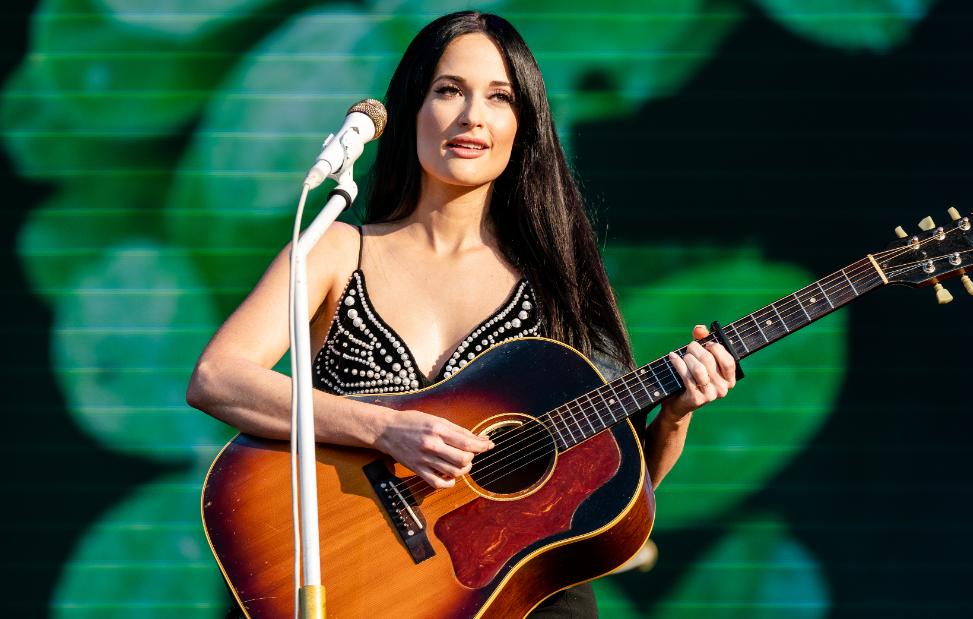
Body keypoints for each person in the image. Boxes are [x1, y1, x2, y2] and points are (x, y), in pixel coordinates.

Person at [186, 10, 738, 617]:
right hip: (352, 584)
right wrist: (383, 427)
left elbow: (611, 498)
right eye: (449, 90)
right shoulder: (336, 249)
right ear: (412, 109)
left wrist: (675, 418)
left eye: (499, 98)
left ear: (523, 125)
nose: (472, 116)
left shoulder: (556, 285)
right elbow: (218, 378)